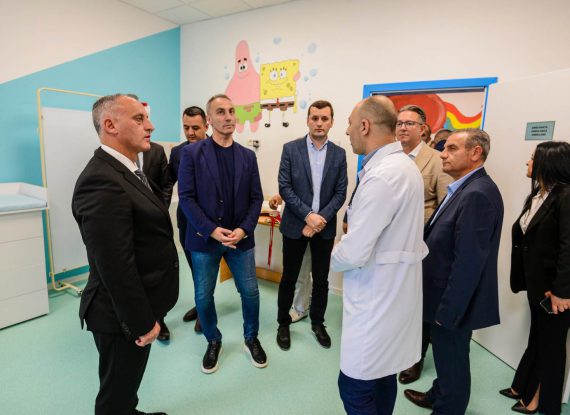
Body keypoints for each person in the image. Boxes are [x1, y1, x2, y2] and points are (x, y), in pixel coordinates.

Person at [72, 94, 179, 415]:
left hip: (137, 306)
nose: (151, 126)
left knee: (127, 386)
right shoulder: (100, 180)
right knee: (115, 396)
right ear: (110, 125)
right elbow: (114, 266)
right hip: (119, 315)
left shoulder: (127, 170)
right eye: (139, 118)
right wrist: (142, 322)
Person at [332, 95, 427, 414]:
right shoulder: (404, 166)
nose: (347, 131)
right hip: (393, 294)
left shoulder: (383, 176)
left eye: (349, 124)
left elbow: (354, 252)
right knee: (383, 375)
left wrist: (332, 252)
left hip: (376, 298)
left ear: (364, 126)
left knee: (354, 387)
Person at [404, 128, 504, 415]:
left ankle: (448, 408)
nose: (443, 155)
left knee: (454, 361)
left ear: (475, 153)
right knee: (446, 358)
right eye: (444, 148)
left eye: (451, 149)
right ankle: (439, 394)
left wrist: (448, 310)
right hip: (444, 295)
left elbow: (468, 263)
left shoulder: (477, 194)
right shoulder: (465, 187)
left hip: (452, 302)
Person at [178, 94, 266, 374]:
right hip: (205, 240)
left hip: (241, 240)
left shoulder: (248, 156)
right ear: (209, 119)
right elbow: (186, 198)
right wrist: (212, 230)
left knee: (250, 293)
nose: (228, 116)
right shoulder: (192, 154)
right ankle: (213, 340)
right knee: (204, 296)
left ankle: (251, 338)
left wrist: (243, 229)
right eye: (220, 112)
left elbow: (256, 198)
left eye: (231, 111)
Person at [501, 141, 570, 415]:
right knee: (538, 337)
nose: (527, 162)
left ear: (548, 163)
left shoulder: (565, 196)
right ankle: (522, 386)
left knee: (552, 346)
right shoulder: (538, 194)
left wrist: (562, 291)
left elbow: (568, 248)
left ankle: (544, 403)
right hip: (536, 284)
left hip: (555, 290)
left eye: (532, 158)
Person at [276, 100, 347, 351]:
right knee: (289, 278)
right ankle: (283, 323)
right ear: (308, 120)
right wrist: (308, 216)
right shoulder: (291, 149)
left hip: (324, 229)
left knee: (321, 280)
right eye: (315, 118)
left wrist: (318, 221)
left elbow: (340, 192)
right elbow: (285, 187)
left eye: (324, 118)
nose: (319, 123)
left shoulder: (339, 154)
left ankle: (318, 323)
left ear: (331, 122)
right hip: (295, 225)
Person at [396, 105, 452, 383]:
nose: (403, 128)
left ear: (423, 129)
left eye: (409, 123)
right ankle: (395, 349)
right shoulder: (391, 156)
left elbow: (445, 208)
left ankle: (414, 359)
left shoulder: (436, 160)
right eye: (399, 123)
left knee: (419, 307)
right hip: (392, 245)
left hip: (421, 246)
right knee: (397, 302)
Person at [169, 106, 209, 333]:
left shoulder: (217, 149)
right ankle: (201, 304)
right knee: (194, 266)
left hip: (210, 221)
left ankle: (205, 310)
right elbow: (168, 183)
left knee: (205, 267)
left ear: (206, 125)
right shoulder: (177, 153)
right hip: (185, 219)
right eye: (186, 127)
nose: (190, 132)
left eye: (195, 127)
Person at [269, 193, 312, 322]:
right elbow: (293, 190)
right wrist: (279, 197)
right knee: (293, 272)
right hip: (291, 228)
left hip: (306, 227)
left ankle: (300, 309)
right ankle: (303, 301)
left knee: (302, 272)